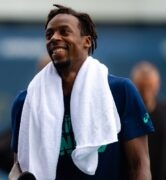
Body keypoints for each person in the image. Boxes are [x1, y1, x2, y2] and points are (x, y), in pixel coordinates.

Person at [10, 4, 154, 180]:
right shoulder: (26, 102)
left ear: (87, 41)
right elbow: (20, 167)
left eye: (64, 32)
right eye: (49, 34)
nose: (54, 38)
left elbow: (139, 165)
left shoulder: (120, 91)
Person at [131, 61, 166, 180]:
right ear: (134, 85)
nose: (146, 92)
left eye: (150, 86)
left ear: (158, 84)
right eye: (142, 87)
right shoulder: (126, 115)